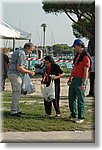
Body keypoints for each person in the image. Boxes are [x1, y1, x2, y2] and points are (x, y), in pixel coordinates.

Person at [7, 43, 35, 117]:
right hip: (15, 74)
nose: (31, 52)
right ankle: (14, 111)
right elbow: (19, 68)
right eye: (31, 50)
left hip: (12, 73)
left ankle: (17, 109)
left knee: (17, 92)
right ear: (27, 48)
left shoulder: (18, 51)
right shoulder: (22, 53)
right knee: (16, 92)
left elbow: (10, 64)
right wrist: (30, 72)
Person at [67, 39, 91, 123]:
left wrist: (83, 83)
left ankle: (81, 117)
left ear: (80, 46)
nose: (74, 48)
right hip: (75, 79)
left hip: (81, 79)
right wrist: (70, 78)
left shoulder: (85, 57)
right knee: (71, 97)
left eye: (75, 46)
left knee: (80, 99)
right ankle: (74, 114)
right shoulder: (77, 55)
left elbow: (86, 71)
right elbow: (75, 68)